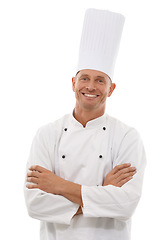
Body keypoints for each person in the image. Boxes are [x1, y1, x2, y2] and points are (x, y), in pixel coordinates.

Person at [24, 8, 146, 240]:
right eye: (85, 78)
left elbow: (126, 205)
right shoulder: (47, 134)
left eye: (100, 80)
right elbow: (35, 204)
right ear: (73, 83)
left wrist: (58, 185)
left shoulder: (127, 136)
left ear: (111, 89)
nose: (91, 87)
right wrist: (102, 194)